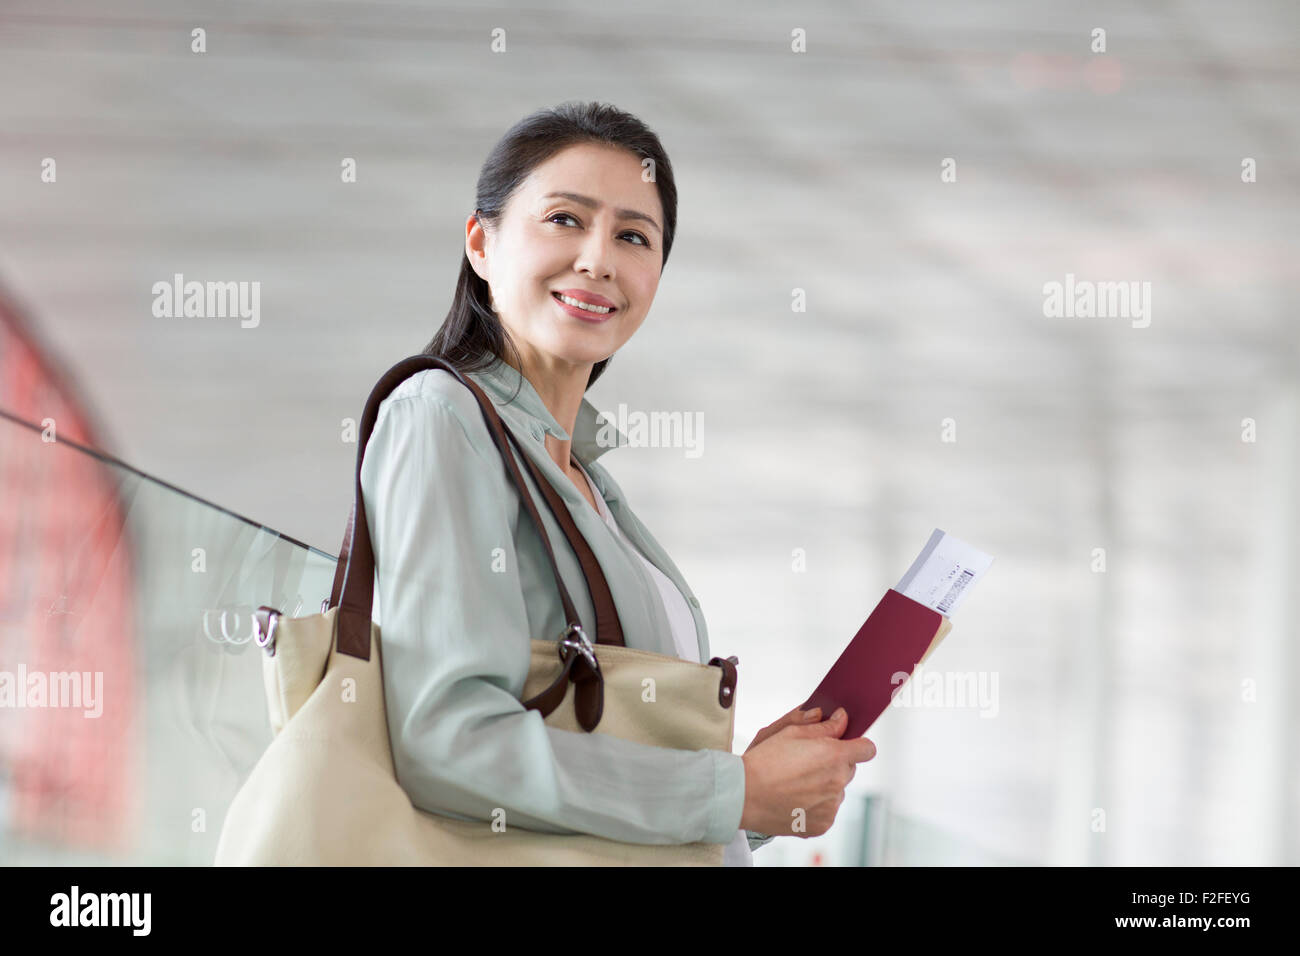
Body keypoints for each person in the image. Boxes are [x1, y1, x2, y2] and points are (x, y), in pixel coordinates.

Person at [360, 100, 877, 866]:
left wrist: (755, 788)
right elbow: (448, 742)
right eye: (566, 220)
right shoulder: (442, 417)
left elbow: (597, 778)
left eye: (633, 236)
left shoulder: (590, 483)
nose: (599, 259)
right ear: (481, 242)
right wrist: (727, 791)